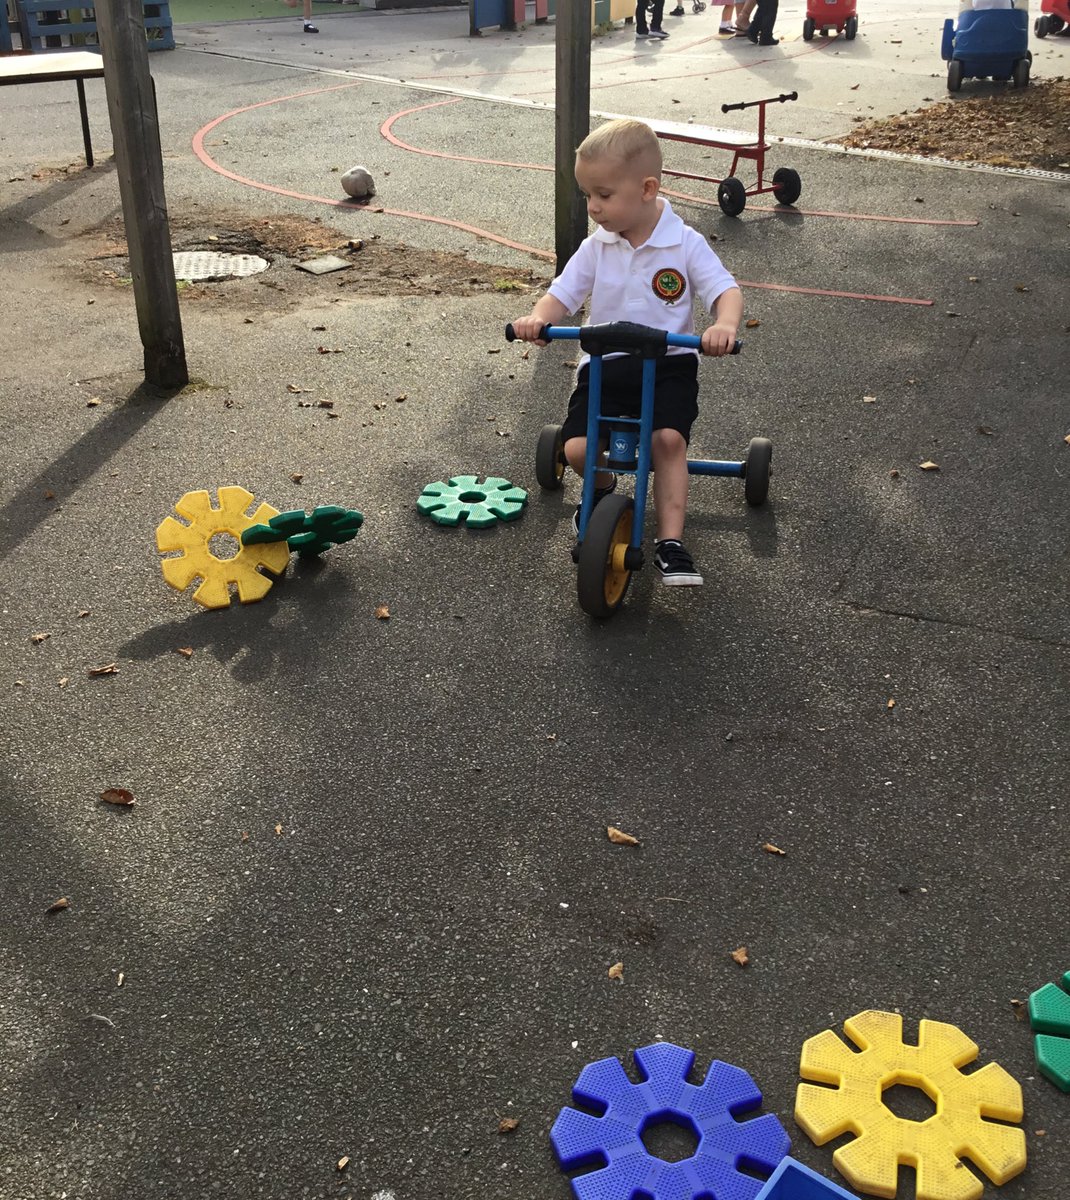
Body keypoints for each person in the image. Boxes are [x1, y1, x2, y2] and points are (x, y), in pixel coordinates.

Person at [509, 119, 743, 587]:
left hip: (669, 363)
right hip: (606, 362)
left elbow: (725, 290)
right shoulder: (597, 247)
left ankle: (671, 543)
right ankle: (599, 491)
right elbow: (562, 295)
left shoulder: (684, 243)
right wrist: (538, 317)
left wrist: (724, 324)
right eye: (587, 196)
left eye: (603, 195)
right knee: (577, 449)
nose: (593, 207)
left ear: (647, 188)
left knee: (667, 443)